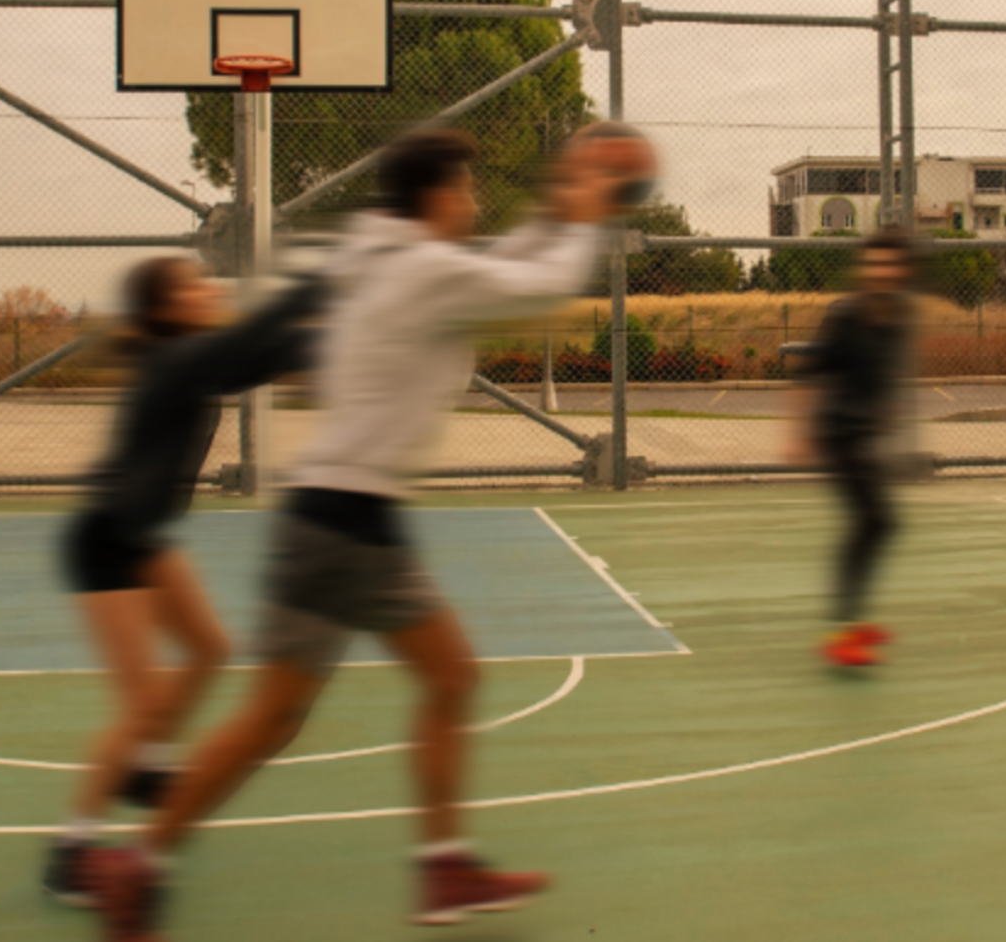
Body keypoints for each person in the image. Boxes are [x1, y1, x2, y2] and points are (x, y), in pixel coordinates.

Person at [89, 128, 626, 938]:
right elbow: (534, 284)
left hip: (322, 514)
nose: (475, 206)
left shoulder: (380, 253)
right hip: (351, 524)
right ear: (437, 198)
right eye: (467, 191)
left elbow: (505, 263)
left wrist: (557, 206)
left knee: (277, 716)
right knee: (444, 682)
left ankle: (145, 859)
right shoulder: (424, 269)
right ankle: (442, 868)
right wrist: (583, 215)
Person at [43, 256, 325, 905]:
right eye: (191, 285)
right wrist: (314, 287)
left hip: (143, 539)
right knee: (144, 706)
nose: (206, 290)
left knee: (210, 650)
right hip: (108, 543)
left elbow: (266, 355)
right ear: (163, 307)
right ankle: (72, 848)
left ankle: (146, 767)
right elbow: (250, 341)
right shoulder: (172, 362)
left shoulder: (191, 356)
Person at [786, 226, 914, 669]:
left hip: (866, 434)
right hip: (838, 433)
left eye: (890, 264)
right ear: (865, 269)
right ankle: (842, 631)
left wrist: (889, 408)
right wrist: (798, 436)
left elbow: (885, 372)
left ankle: (851, 621)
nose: (882, 271)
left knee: (878, 525)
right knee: (875, 522)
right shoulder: (845, 315)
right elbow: (806, 375)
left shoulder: (899, 315)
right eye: (874, 263)